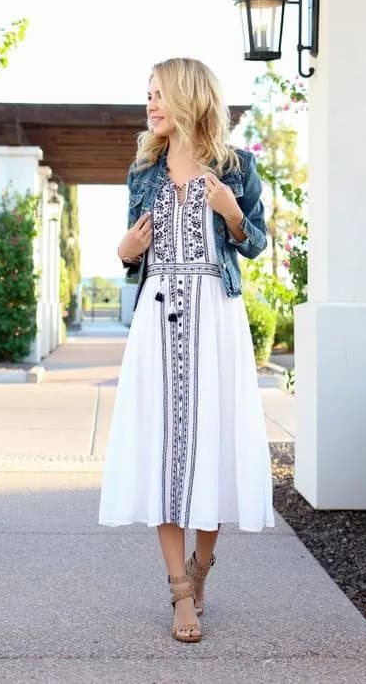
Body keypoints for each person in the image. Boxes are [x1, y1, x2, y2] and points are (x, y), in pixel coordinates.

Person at [98, 57, 275, 643]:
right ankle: (180, 592)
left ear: (188, 97)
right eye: (146, 95)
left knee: (210, 446)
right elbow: (132, 258)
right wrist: (124, 251)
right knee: (164, 450)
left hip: (216, 316)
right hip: (158, 316)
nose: (149, 106)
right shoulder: (143, 171)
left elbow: (254, 244)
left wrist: (230, 214)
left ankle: (202, 571)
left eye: (158, 95)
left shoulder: (238, 166)